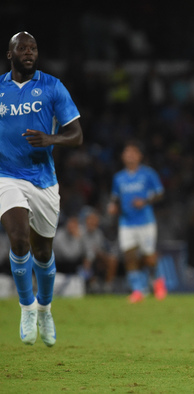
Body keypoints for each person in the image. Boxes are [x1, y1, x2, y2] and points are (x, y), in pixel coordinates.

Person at [0, 32, 83, 346]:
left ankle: (45, 309)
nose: (29, 52)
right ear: (10, 54)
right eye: (22, 48)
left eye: (33, 48)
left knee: (43, 252)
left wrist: (52, 140)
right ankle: (26, 308)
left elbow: (76, 134)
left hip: (43, 180)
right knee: (19, 240)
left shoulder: (52, 86)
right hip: (6, 176)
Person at [107, 140, 166, 303]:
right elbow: (115, 197)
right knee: (129, 255)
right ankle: (138, 290)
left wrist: (145, 201)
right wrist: (112, 206)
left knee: (148, 256)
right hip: (126, 222)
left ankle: (158, 283)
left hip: (145, 221)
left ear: (139, 156)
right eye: (127, 153)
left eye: (133, 153)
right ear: (122, 157)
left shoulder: (148, 174)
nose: (130, 156)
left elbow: (160, 193)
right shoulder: (119, 178)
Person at [81, 208, 119, 293]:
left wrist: (100, 254)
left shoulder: (98, 233)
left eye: (95, 220)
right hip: (81, 259)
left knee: (112, 259)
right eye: (91, 220)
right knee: (87, 260)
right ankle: (93, 285)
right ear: (86, 220)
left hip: (95, 258)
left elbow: (101, 248)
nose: (93, 222)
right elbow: (79, 250)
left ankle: (108, 286)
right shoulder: (80, 232)